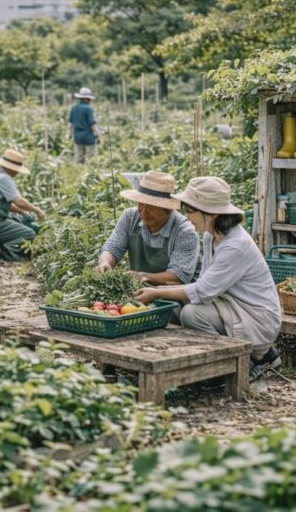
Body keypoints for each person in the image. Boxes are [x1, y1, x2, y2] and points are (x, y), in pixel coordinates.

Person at [134, 176, 282, 380]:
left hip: (255, 318)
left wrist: (155, 291)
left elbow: (202, 291)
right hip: (232, 307)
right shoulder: (211, 235)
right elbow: (204, 282)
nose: (186, 217)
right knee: (175, 308)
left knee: (191, 314)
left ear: (210, 213)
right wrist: (161, 293)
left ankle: (240, 362)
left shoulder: (234, 246)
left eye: (189, 211)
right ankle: (253, 356)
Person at [96, 171, 199, 285]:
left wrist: (141, 276)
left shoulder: (185, 232)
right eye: (140, 204)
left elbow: (177, 276)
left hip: (177, 295)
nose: (143, 212)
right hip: (141, 290)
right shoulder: (130, 217)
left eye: (151, 207)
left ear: (169, 208)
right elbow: (113, 247)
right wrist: (104, 263)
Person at [68, 87, 100, 163]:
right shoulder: (88, 108)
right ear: (88, 99)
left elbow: (71, 123)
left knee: (78, 156)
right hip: (88, 136)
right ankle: (89, 173)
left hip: (78, 136)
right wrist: (98, 135)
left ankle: (77, 172)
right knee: (90, 157)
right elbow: (92, 124)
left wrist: (70, 134)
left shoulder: (74, 108)